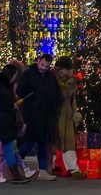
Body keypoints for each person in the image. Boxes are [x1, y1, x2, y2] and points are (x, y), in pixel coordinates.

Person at [17, 53, 62, 181]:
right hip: (32, 114)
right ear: (38, 61)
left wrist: (55, 104)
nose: (43, 68)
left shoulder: (50, 76)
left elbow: (56, 92)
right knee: (31, 140)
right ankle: (16, 159)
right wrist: (33, 96)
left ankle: (42, 170)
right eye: (42, 65)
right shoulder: (28, 75)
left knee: (43, 141)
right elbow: (20, 91)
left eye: (46, 66)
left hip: (47, 115)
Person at [0, 60, 35, 183]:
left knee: (12, 150)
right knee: (9, 150)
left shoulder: (5, 87)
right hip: (7, 123)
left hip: (8, 122)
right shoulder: (9, 88)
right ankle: (0, 173)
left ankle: (23, 169)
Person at [54, 56, 87, 179]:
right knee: (47, 144)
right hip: (54, 116)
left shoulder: (71, 81)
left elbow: (73, 101)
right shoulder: (52, 80)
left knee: (69, 143)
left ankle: (74, 170)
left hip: (66, 116)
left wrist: (75, 113)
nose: (68, 72)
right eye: (66, 69)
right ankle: (42, 169)